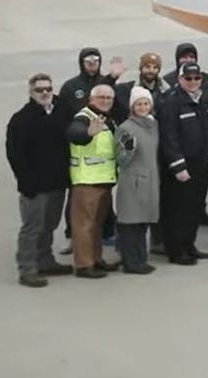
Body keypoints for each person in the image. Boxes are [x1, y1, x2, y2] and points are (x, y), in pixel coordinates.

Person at [8, 74, 74, 287]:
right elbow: (15, 155)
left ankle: (45, 260)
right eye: (39, 90)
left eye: (48, 89)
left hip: (57, 182)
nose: (45, 93)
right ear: (31, 93)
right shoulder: (21, 119)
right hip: (35, 187)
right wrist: (25, 182)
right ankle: (27, 269)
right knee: (32, 227)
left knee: (49, 224)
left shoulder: (61, 112)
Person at [158, 64, 208, 263]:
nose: (193, 82)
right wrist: (178, 166)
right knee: (177, 209)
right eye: (188, 78)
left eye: (197, 78)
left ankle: (189, 244)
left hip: (201, 164)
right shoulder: (171, 102)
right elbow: (169, 137)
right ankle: (175, 250)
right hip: (181, 167)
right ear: (179, 79)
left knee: (195, 207)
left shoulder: (205, 98)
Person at [65, 86, 119, 279]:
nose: (105, 100)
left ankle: (96, 259)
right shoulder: (84, 117)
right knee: (84, 225)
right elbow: (74, 133)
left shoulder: (107, 118)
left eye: (109, 98)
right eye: (101, 97)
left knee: (97, 224)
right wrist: (88, 132)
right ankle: (84, 265)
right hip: (86, 180)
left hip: (103, 179)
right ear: (91, 99)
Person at [113, 87, 161, 274]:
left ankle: (141, 258)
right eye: (139, 104)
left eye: (146, 104)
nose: (143, 107)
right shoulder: (126, 127)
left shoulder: (153, 125)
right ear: (132, 107)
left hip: (149, 181)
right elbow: (121, 159)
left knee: (143, 223)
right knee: (130, 224)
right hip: (133, 183)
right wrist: (128, 149)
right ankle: (131, 262)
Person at [60, 48, 125, 107]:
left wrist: (112, 78)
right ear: (82, 63)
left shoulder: (109, 82)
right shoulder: (70, 86)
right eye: (88, 61)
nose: (92, 63)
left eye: (95, 61)